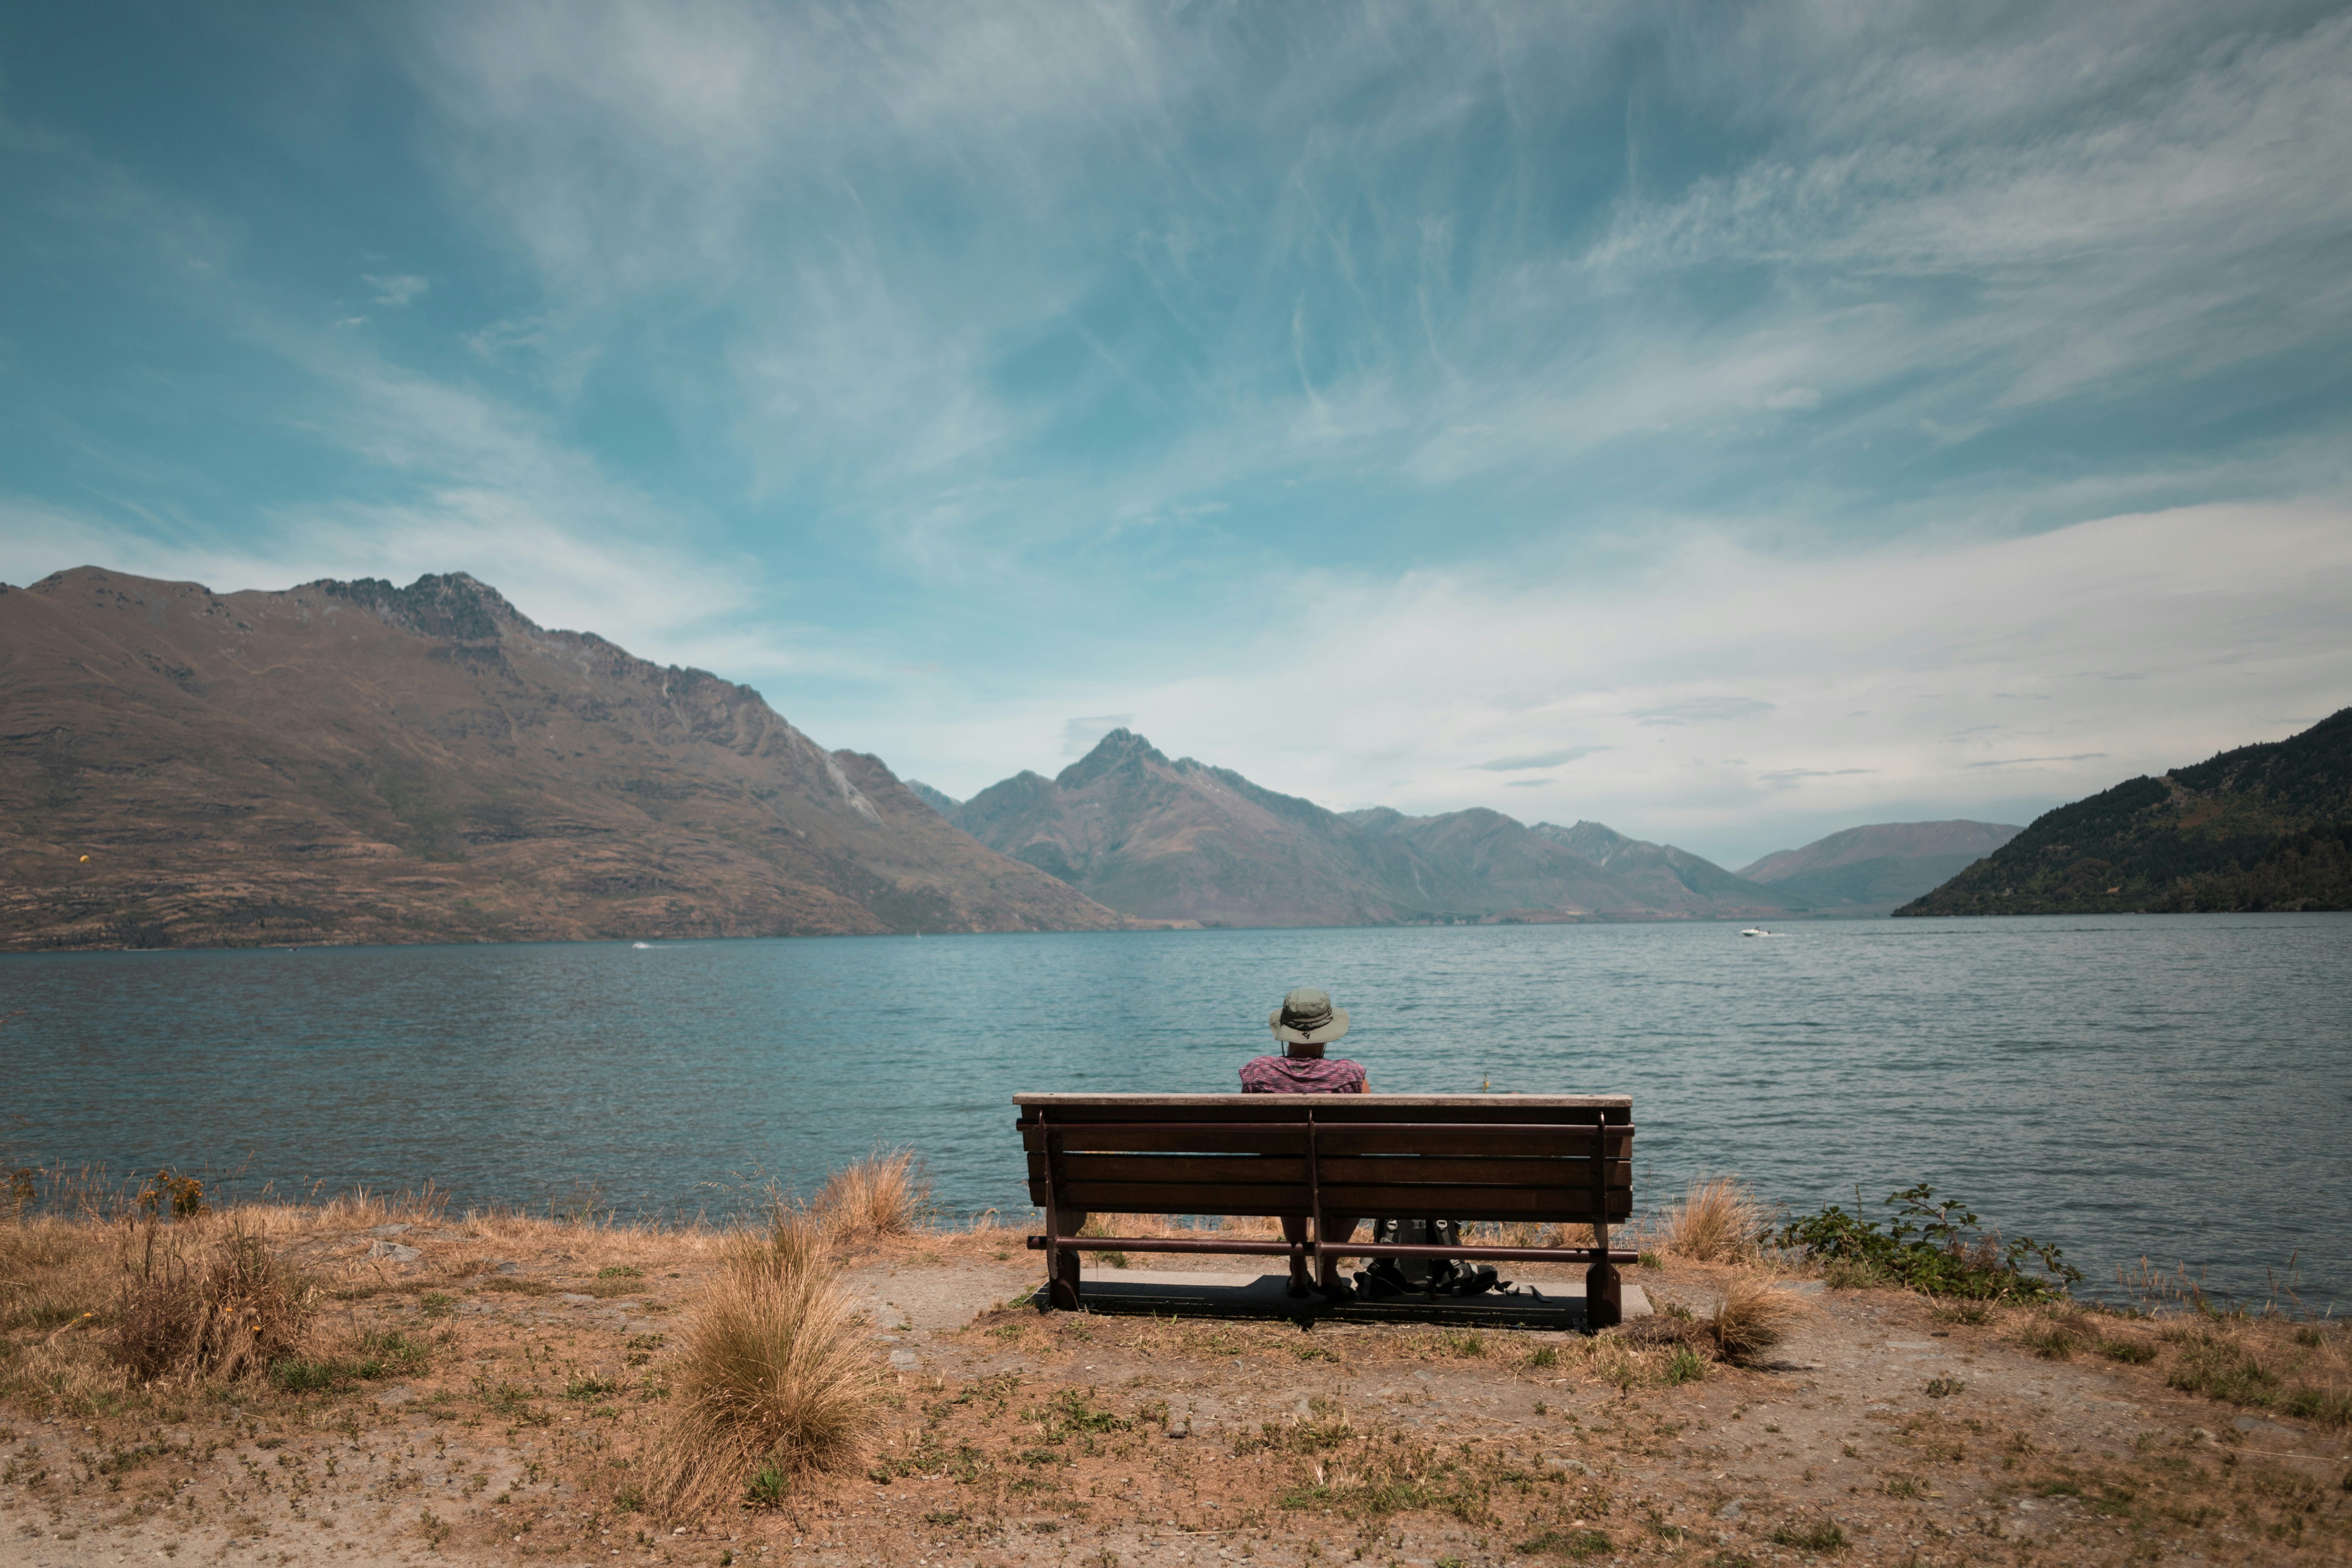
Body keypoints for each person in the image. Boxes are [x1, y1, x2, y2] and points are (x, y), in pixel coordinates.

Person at [1241, 988, 1365, 1296]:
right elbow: (1366, 1134)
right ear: (1328, 1032)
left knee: (1289, 1172)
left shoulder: (1258, 1072)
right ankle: (1329, 1269)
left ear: (1285, 1031)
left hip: (1281, 1181)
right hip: (1335, 1181)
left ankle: (1298, 1271)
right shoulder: (1350, 1075)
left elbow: (1249, 1131)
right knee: (1351, 1185)